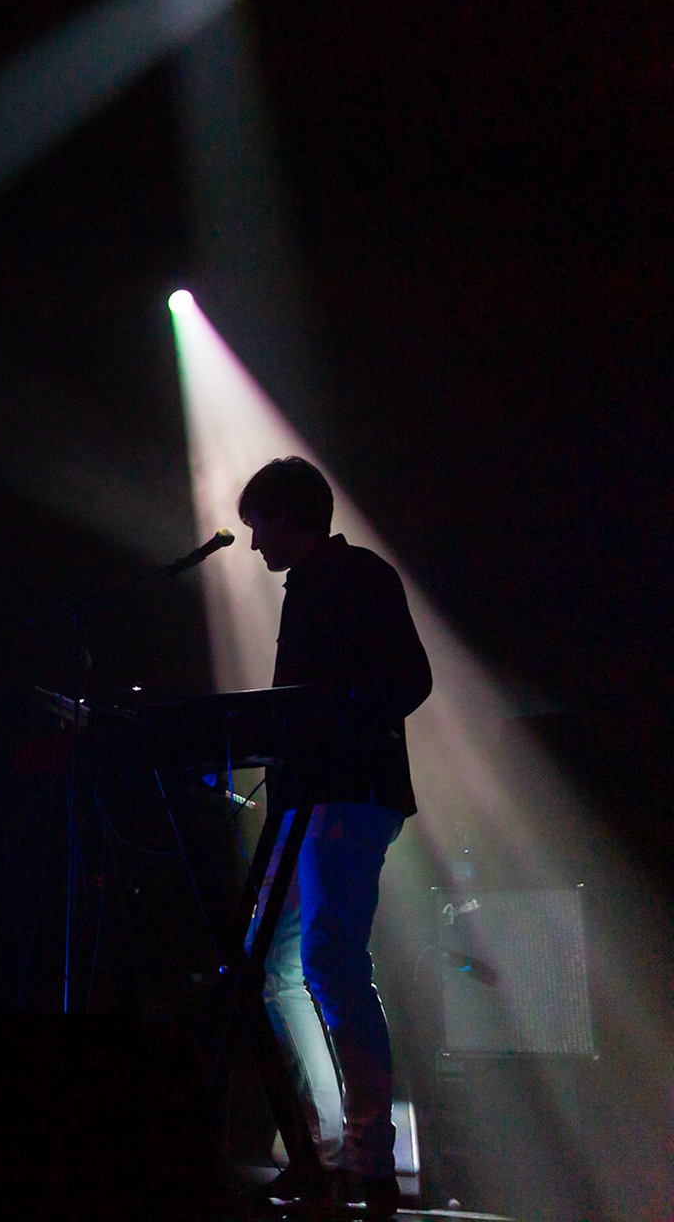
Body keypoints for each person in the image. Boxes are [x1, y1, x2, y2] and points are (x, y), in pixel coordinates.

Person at [237, 457, 431, 1217]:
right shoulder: (309, 588)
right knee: (271, 966)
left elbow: (409, 680)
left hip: (349, 793)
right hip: (309, 797)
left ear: (291, 518)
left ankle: (366, 1160)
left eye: (260, 528)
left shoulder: (359, 577)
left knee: (326, 958)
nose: (254, 545)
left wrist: (336, 726)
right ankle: (322, 1150)